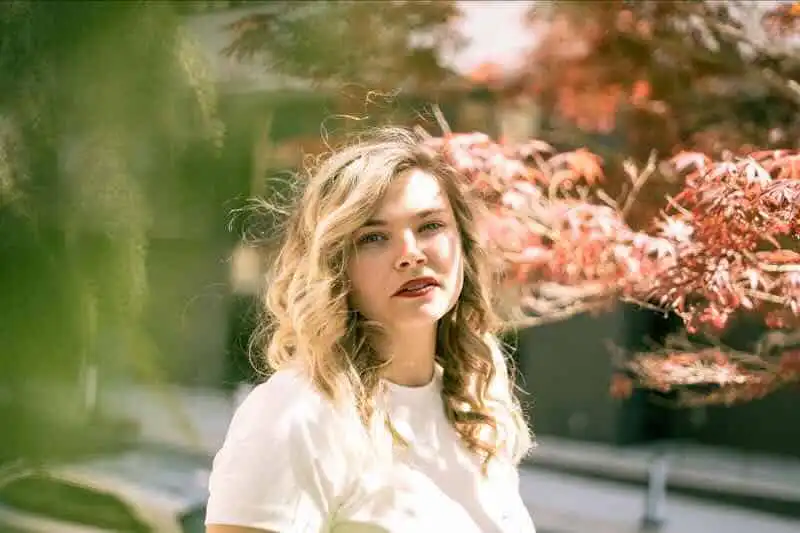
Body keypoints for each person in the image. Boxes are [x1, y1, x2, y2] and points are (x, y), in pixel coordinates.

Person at [205, 127, 536, 533]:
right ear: (335, 266)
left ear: (463, 245)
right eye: (374, 237)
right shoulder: (298, 414)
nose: (411, 254)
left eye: (430, 226)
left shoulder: (477, 402)